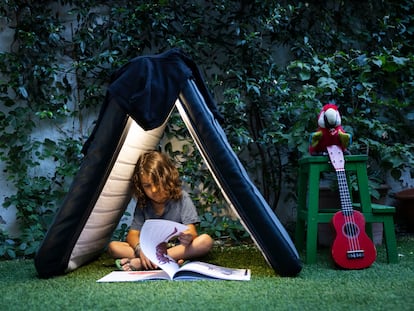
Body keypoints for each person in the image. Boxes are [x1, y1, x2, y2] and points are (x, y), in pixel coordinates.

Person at [108, 150, 213, 271]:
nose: (153, 190)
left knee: (205, 241)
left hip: (175, 247)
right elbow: (133, 234)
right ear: (141, 186)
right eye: (147, 185)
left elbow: (192, 231)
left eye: (157, 182)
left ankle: (147, 262)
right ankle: (166, 259)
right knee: (114, 247)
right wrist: (140, 249)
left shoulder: (182, 197)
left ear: (168, 178)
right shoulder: (143, 203)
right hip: (150, 248)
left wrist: (188, 236)